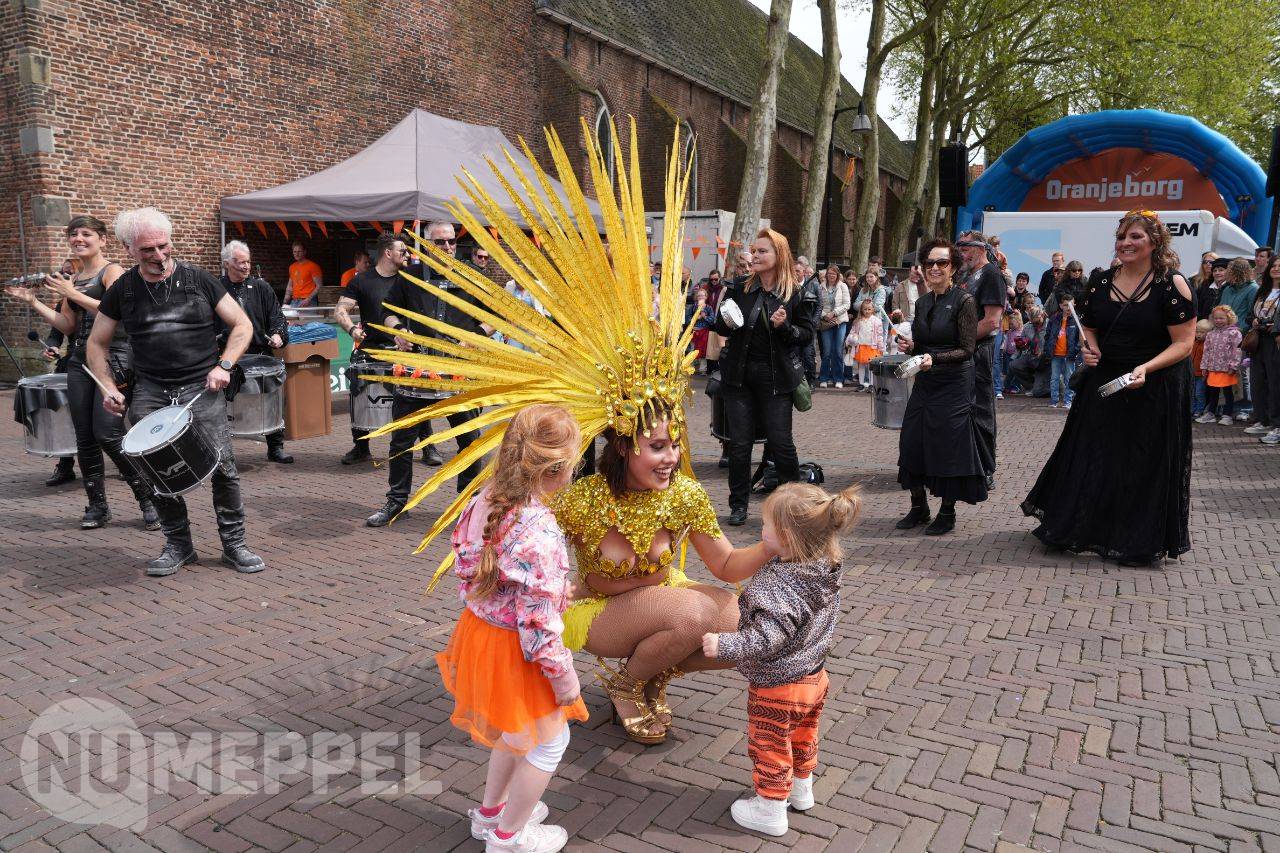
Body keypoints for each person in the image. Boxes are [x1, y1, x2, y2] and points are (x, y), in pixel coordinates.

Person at [436, 405, 587, 853]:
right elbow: (538, 627)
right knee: (550, 742)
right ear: (559, 468)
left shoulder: (486, 498)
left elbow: (482, 572)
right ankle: (509, 837)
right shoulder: (539, 529)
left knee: (514, 731)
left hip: (482, 634)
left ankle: (490, 815)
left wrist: (552, 593)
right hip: (518, 649)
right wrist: (564, 677)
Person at [88, 207, 265, 576]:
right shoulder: (123, 289)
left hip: (202, 386)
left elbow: (242, 326)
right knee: (157, 472)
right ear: (128, 249)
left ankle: (235, 545)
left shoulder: (199, 279)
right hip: (150, 391)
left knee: (223, 468)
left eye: (163, 246)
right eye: (146, 250)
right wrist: (108, 387)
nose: (158, 256)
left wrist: (225, 365)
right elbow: (96, 343)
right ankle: (179, 546)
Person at [1022, 209, 1195, 566]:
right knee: (1095, 452)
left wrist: (1145, 368)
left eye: (1136, 237)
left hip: (1153, 383)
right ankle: (1083, 527)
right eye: (1122, 237)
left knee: (1141, 460)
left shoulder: (1172, 284)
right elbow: (1091, 325)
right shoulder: (1101, 281)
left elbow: (1184, 344)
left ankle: (1136, 540)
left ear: (1154, 242)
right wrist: (1090, 348)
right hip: (1105, 380)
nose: (1126, 243)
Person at [701, 482, 862, 837]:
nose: (761, 531)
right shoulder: (822, 566)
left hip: (779, 686)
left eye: (767, 526)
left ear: (786, 537)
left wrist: (724, 645)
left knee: (769, 743)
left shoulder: (779, 584)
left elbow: (767, 638)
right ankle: (802, 788)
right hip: (815, 676)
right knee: (804, 736)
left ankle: (770, 807)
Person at [5, 216, 159, 529]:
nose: (78, 239)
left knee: (108, 433)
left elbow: (120, 314)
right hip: (78, 359)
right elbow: (68, 326)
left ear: (102, 239)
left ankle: (147, 497)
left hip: (113, 357)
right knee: (85, 438)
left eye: (86, 234)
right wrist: (34, 301)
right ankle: (97, 506)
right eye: (73, 234)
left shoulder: (112, 272)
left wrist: (72, 294)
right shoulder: (71, 279)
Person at [368, 221, 484, 526]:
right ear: (426, 246)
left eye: (450, 242)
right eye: (439, 242)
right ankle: (395, 503)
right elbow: (387, 311)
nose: (446, 247)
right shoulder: (410, 276)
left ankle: (467, 507)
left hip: (459, 374)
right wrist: (398, 332)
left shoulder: (472, 276)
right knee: (401, 441)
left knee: (470, 442)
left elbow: (495, 316)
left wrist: (474, 336)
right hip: (417, 371)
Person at [714, 228, 815, 527]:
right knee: (740, 444)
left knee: (782, 443)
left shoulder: (794, 293)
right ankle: (738, 505)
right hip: (739, 378)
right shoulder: (739, 288)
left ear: (778, 255)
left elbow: (807, 334)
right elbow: (721, 326)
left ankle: (793, 505)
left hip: (776, 380)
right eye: (754, 251)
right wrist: (726, 319)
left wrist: (785, 327)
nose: (754, 256)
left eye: (762, 251)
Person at [896, 238, 989, 535]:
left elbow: (967, 348)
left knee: (947, 446)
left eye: (942, 263)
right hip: (926, 381)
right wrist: (912, 347)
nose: (935, 268)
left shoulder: (964, 301)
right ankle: (918, 506)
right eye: (930, 263)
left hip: (954, 383)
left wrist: (932, 358)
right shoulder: (922, 302)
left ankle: (947, 512)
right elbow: (923, 345)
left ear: (953, 268)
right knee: (912, 440)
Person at [334, 233, 441, 467]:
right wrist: (352, 329)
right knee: (358, 391)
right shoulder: (362, 280)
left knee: (417, 397)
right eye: (402, 251)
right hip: (372, 347)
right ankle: (361, 446)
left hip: (406, 349)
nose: (407, 254)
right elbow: (340, 309)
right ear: (388, 253)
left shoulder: (410, 279)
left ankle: (428, 446)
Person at [217, 241, 292, 463]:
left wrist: (278, 334)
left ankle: (275, 447)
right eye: (241, 262)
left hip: (261, 354)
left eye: (248, 261)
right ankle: (222, 451)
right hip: (227, 356)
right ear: (227, 264)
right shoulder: (217, 289)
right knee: (220, 406)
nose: (246, 266)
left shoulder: (261, 287)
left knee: (271, 398)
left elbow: (278, 318)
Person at [956, 231, 1005, 484]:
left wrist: (958, 341)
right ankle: (966, 463)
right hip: (964, 350)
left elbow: (991, 321)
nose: (962, 253)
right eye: (960, 249)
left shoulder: (991, 274)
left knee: (982, 409)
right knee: (962, 408)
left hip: (980, 349)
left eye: (966, 249)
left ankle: (986, 469)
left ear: (980, 248)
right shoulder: (966, 273)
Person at [1245, 255, 1280, 444]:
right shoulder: (1262, 291)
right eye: (1273, 266)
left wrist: (1275, 326)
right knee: (1258, 381)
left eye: (1279, 266)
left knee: (1275, 383)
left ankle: (1276, 424)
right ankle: (1262, 419)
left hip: (1275, 341)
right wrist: (1254, 321)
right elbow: (1249, 315)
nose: (1275, 269)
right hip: (1258, 341)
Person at [1195, 305, 1243, 425]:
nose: (1218, 320)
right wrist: (1204, 367)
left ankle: (1227, 415)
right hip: (1213, 369)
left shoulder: (1234, 333)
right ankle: (1211, 413)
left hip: (1227, 369)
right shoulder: (1211, 334)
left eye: (1221, 318)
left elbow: (1237, 350)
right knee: (1213, 392)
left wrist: (1233, 366)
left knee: (1228, 392)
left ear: (1229, 318)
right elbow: (1206, 351)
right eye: (1216, 318)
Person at [1045, 293, 1082, 409]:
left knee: (1069, 379)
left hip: (1069, 355)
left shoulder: (1077, 320)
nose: (1068, 308)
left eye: (1071, 305)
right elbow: (1048, 335)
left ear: (1074, 305)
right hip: (1055, 354)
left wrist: (1075, 351)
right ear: (1061, 305)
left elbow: (1080, 339)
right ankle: (1054, 401)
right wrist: (1048, 348)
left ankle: (1068, 401)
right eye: (1066, 305)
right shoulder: (1054, 318)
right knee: (1054, 378)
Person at [815, 265, 849, 388]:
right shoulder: (820, 287)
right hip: (826, 322)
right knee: (827, 351)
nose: (831, 275)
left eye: (833, 274)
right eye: (829, 273)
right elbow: (818, 305)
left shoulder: (843, 286)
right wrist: (825, 315)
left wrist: (834, 313)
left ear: (838, 275)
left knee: (838, 351)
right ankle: (824, 378)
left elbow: (847, 304)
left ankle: (838, 378)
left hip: (840, 321)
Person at [845, 299, 884, 391]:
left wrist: (881, 347)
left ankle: (871, 384)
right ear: (861, 310)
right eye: (865, 309)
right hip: (861, 346)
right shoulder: (858, 321)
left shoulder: (877, 321)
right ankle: (861, 384)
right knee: (861, 365)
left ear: (873, 309)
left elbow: (879, 335)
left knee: (871, 366)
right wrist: (851, 338)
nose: (867, 311)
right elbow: (853, 332)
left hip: (872, 347)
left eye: (869, 309)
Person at [283, 241, 322, 307]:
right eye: (294, 252)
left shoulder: (313, 266)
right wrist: (285, 301)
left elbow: (319, 285)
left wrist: (308, 299)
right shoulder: (292, 267)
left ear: (304, 252)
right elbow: (290, 286)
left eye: (299, 251)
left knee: (307, 318)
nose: (296, 254)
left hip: (309, 302)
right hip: (294, 301)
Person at [1190, 319, 1211, 417]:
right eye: (1197, 332)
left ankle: (1199, 410)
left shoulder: (1207, 345)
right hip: (1193, 373)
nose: (1198, 334)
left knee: (1199, 393)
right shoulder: (1194, 343)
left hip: (1202, 374)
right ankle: (1192, 409)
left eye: (1202, 332)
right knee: (1192, 392)